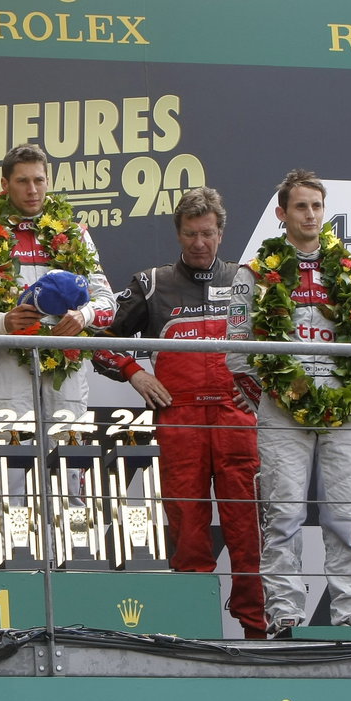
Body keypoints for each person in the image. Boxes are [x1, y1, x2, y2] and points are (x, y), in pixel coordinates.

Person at [95, 188, 265, 639]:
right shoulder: (151, 283)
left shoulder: (248, 281)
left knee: (247, 528)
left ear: (221, 232)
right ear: (178, 233)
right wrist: (134, 372)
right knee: (187, 526)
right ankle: (196, 630)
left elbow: (279, 348)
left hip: (237, 421)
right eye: (190, 234)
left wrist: (261, 389)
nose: (199, 243)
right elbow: (100, 339)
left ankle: (257, 631)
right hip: (181, 420)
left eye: (207, 233)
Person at [226, 169, 351, 637]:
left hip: (343, 409)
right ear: (281, 213)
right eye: (301, 206)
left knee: (342, 515)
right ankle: (285, 615)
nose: (311, 214)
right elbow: (237, 349)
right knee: (285, 514)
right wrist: (271, 403)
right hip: (281, 411)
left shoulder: (348, 271)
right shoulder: (252, 273)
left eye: (317, 205)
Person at [0, 144, 115, 424]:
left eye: (39, 180)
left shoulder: (74, 234)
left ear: (48, 181)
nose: (32, 190)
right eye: (22, 181)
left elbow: (107, 302)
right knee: (11, 458)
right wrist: (2, 322)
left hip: (66, 363)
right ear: (5, 184)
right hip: (11, 362)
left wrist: (84, 316)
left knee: (69, 457)